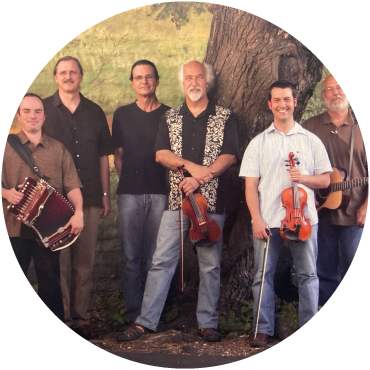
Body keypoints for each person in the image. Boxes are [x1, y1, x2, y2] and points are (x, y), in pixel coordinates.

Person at [116, 60, 239, 343]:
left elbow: (230, 156)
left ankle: (207, 323)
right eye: (188, 78)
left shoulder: (225, 116)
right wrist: (188, 166)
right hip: (176, 201)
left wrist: (200, 177)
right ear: (182, 83)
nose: (194, 82)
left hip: (210, 203)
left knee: (210, 263)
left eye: (199, 77)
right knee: (162, 260)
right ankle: (145, 322)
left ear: (207, 82)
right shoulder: (169, 117)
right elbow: (161, 154)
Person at [240, 80, 332, 347]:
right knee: (262, 275)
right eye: (277, 100)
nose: (282, 104)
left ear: (294, 102)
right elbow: (250, 187)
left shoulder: (311, 141)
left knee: (308, 275)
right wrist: (256, 218)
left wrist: (303, 177)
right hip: (268, 220)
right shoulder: (258, 143)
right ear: (270, 105)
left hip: (303, 221)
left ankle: (308, 328)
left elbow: (326, 180)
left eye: (287, 99)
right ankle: (262, 328)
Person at [42, 56, 114, 339]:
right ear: (55, 78)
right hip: (54, 201)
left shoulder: (94, 111)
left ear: (81, 77)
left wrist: (105, 195)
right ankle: (62, 319)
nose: (68, 76)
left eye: (73, 72)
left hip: (91, 197)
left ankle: (81, 318)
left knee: (84, 262)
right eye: (63, 72)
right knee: (58, 262)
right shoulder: (44, 109)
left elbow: (102, 157)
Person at [1, 93, 83, 322]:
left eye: (37, 111)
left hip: (48, 230)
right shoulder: (6, 147)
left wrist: (79, 213)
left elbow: (73, 186)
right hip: (13, 229)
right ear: (18, 116)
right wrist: (6, 193)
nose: (32, 116)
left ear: (44, 116)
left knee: (50, 284)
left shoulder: (58, 149)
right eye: (26, 111)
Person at [302, 75, 368, 306]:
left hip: (355, 213)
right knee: (324, 270)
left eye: (340, 87)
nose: (336, 92)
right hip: (321, 211)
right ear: (323, 96)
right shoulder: (310, 127)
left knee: (354, 267)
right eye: (329, 89)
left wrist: (366, 206)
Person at [112, 60, 170, 322]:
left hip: (162, 193)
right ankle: (134, 313)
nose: (144, 81)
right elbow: (119, 155)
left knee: (157, 257)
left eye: (149, 77)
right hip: (130, 195)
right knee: (131, 257)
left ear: (157, 81)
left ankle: (153, 314)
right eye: (138, 77)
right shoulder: (122, 114)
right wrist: (130, 184)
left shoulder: (170, 115)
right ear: (132, 82)